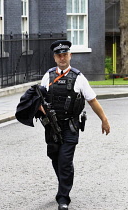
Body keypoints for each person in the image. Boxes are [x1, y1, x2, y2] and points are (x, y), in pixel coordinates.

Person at [38, 40, 110, 210]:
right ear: (55, 58)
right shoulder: (47, 76)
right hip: (51, 127)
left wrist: (104, 119)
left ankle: (63, 198)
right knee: (54, 157)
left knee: (64, 161)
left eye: (65, 54)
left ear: (70, 56)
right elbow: (39, 99)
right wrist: (40, 108)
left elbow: (92, 100)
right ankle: (64, 180)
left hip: (70, 127)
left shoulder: (79, 78)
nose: (62, 58)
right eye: (58, 55)